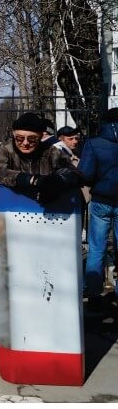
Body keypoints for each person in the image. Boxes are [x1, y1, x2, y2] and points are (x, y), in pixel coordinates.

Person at [0, 112, 82, 204]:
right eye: (19, 138)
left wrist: (58, 181)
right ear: (13, 135)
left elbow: (73, 172)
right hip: (8, 206)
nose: (25, 143)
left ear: (40, 137)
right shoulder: (3, 150)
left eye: (32, 139)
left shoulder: (51, 152)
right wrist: (29, 179)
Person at [78, 108, 118, 316]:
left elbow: (85, 174)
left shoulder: (94, 143)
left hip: (101, 201)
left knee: (96, 249)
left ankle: (94, 295)